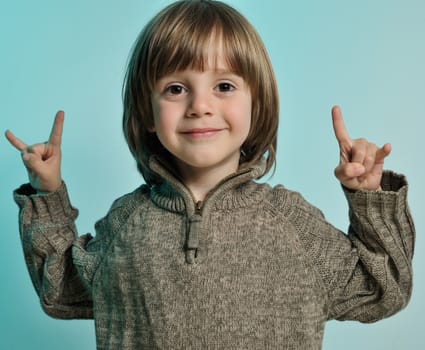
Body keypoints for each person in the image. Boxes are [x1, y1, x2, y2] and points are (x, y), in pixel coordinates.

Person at [5, 1, 415, 349]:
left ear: (257, 106)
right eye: (176, 89)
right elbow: (58, 290)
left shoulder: (292, 225)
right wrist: (47, 194)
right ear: (147, 113)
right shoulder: (127, 224)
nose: (200, 105)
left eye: (223, 85)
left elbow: (385, 289)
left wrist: (369, 197)